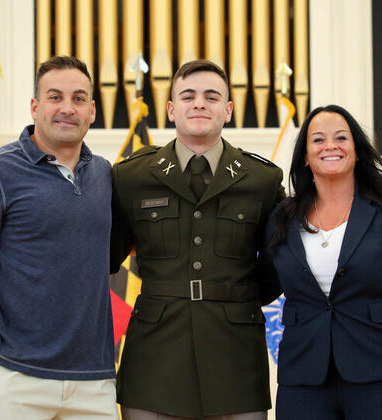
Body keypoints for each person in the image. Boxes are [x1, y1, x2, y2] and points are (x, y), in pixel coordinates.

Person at [0, 56, 118, 419]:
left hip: (93, 383)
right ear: (35, 106)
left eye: (78, 98)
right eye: (55, 97)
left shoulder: (105, 175)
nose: (67, 108)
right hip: (14, 381)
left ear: (92, 111)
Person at [110, 59, 284, 419]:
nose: (199, 104)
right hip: (155, 357)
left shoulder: (262, 180)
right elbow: (105, 257)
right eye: (188, 96)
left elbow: (276, 268)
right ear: (171, 109)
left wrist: (234, 298)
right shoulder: (131, 177)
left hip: (235, 357)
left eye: (211, 96)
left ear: (228, 110)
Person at [263, 105, 382, 420]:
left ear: (357, 151)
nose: (330, 146)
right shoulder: (282, 217)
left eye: (341, 137)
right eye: (318, 140)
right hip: (303, 379)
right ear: (305, 156)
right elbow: (261, 282)